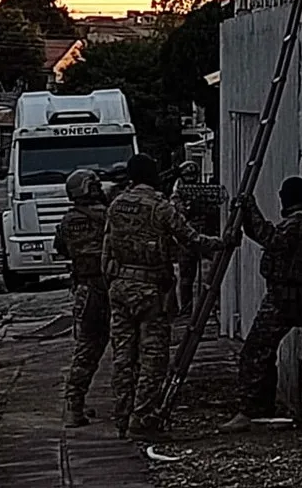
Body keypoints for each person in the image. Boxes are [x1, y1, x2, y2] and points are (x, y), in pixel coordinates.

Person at [102, 153, 229, 438]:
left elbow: (106, 251)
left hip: (120, 287)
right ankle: (143, 418)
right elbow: (191, 239)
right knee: (153, 356)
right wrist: (222, 243)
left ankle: (122, 416)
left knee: (123, 356)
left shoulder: (115, 206)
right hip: (149, 290)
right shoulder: (160, 207)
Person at [220, 177, 302, 433]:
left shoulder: (300, 222)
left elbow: (272, 239)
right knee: (262, 352)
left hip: (285, 298)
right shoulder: (301, 222)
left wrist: (250, 208)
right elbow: (265, 235)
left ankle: (251, 410)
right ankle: (261, 408)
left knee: (254, 352)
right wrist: (247, 216)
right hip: (282, 295)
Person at [53, 169, 112, 428]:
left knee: (86, 347)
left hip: (84, 289)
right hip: (110, 285)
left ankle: (74, 405)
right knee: (126, 346)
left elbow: (61, 249)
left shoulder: (68, 221)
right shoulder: (107, 216)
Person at [170, 160, 205, 315]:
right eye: (188, 175)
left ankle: (206, 309)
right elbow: (179, 213)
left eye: (193, 175)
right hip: (185, 240)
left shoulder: (203, 190)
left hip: (203, 236)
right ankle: (186, 309)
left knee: (207, 276)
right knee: (186, 279)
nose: (192, 178)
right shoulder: (177, 195)